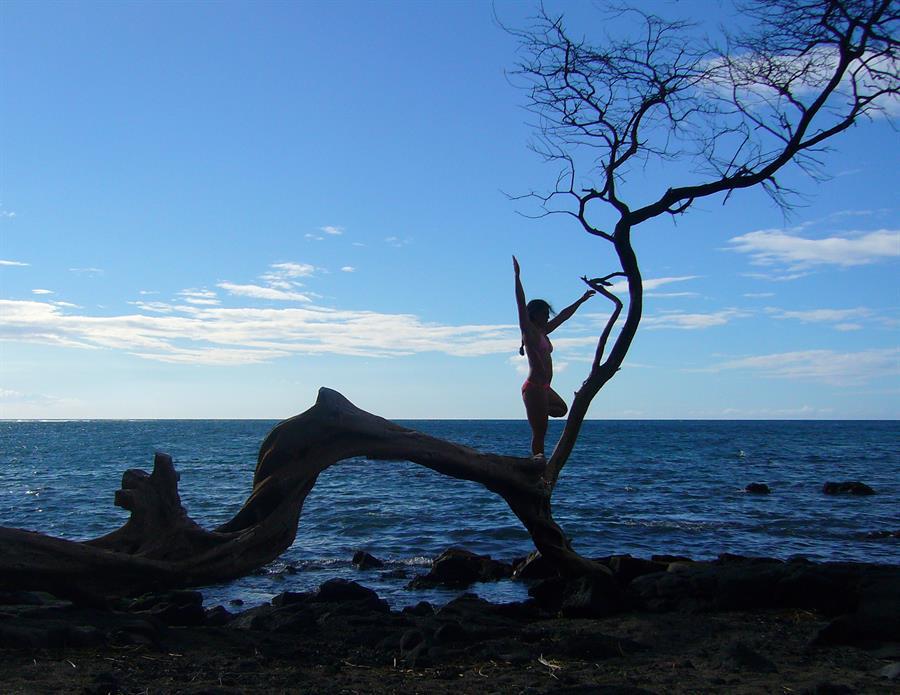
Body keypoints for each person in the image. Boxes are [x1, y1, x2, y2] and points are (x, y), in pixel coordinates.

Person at [513, 255, 595, 460]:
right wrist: (517, 277)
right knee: (540, 433)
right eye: (544, 314)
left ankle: (537, 412)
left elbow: (563, 316)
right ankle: (537, 466)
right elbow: (521, 304)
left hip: (545, 388)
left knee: (562, 409)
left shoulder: (543, 332)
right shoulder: (529, 332)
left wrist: (582, 300)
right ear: (535, 314)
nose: (548, 317)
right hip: (533, 387)